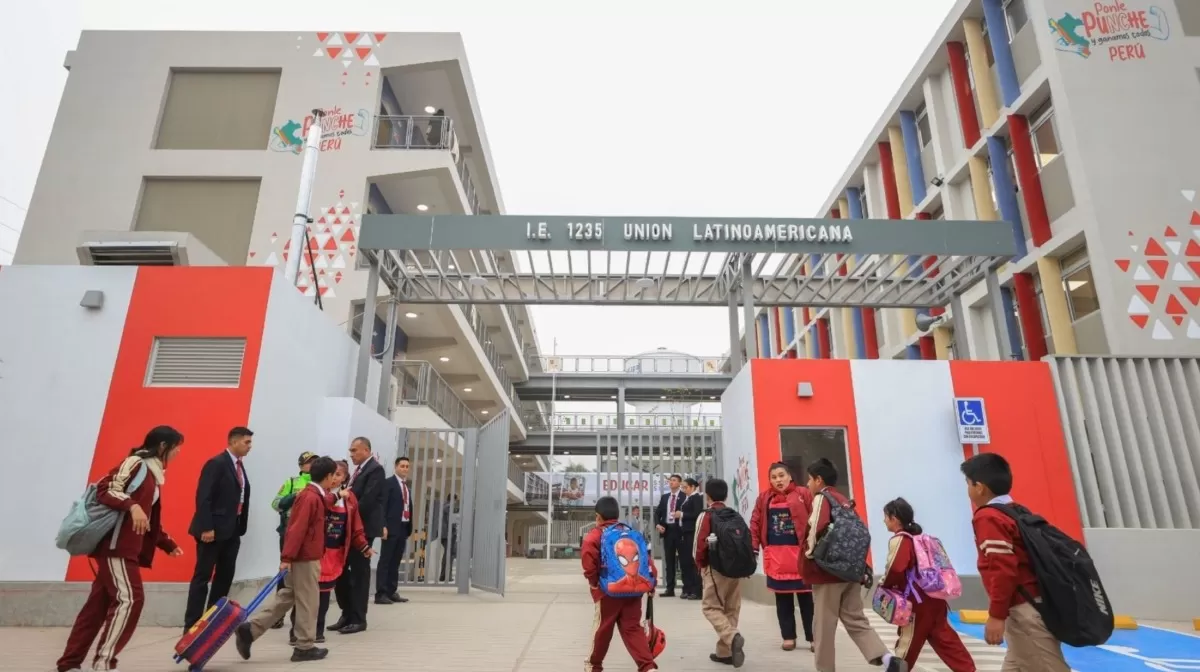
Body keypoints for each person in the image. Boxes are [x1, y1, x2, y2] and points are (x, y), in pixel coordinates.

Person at [57, 426, 186, 672]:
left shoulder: (154, 476)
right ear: (162, 446)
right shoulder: (136, 463)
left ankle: (68, 664)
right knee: (130, 600)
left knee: (95, 609)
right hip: (116, 547)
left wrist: (166, 543)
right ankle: (104, 663)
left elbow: (146, 519)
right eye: (176, 446)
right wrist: (132, 506)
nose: (178, 452)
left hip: (126, 547)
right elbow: (107, 488)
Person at [236, 457, 372, 663]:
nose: (334, 479)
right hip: (305, 558)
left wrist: (335, 497)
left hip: (302, 557)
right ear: (327, 476)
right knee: (309, 601)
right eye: (333, 475)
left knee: (287, 596)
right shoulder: (309, 498)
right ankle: (304, 647)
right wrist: (287, 557)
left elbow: (323, 503)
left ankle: (250, 630)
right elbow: (296, 529)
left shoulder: (314, 495)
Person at [961, 453, 1069, 671]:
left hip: (1023, 611)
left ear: (979, 487)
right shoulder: (1016, 511)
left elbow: (1003, 569)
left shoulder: (988, 517)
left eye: (968, 484)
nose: (968, 490)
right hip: (1035, 603)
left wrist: (996, 615)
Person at [801, 458, 908, 672]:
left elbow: (815, 528)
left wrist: (809, 554)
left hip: (828, 572)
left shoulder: (822, 497)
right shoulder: (844, 501)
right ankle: (887, 659)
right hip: (850, 571)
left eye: (810, 480)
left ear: (819, 480)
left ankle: (825, 669)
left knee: (823, 626)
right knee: (855, 619)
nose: (807, 484)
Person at [880, 498, 976, 671]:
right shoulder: (923, 539)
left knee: (906, 645)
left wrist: (884, 585)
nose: (884, 520)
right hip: (936, 599)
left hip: (916, 603)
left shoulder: (901, 540)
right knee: (947, 641)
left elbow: (895, 568)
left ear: (894, 518)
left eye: (886, 517)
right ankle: (968, 669)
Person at [183, 426, 253, 630]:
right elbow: (204, 497)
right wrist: (206, 527)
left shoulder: (239, 466)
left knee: (224, 577)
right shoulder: (217, 463)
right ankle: (192, 625)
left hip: (232, 531)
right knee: (202, 577)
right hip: (212, 532)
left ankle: (212, 620)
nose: (250, 447)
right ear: (233, 441)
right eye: (246, 442)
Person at [294, 460, 369, 645]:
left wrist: (363, 546)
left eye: (339, 475)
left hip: (334, 554)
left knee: (324, 595)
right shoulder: (320, 495)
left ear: (345, 477)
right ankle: (296, 633)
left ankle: (317, 631)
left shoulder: (350, 499)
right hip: (315, 552)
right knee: (305, 594)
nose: (334, 478)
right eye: (332, 474)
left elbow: (356, 526)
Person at [582, 496, 659, 672]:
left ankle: (594, 665)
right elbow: (648, 562)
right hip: (633, 590)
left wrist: (595, 585)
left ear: (598, 516)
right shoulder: (632, 533)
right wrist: (651, 585)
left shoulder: (595, 535)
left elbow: (589, 564)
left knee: (603, 629)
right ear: (617, 515)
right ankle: (648, 666)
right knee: (632, 628)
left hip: (608, 592)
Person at [750, 462, 816, 652]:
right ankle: (788, 637)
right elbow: (755, 522)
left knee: (807, 599)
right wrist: (754, 548)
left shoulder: (804, 494)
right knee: (783, 600)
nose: (778, 480)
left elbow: (815, 518)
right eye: (774, 477)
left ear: (790, 476)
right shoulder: (764, 498)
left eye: (781, 475)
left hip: (802, 556)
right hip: (776, 557)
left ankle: (813, 638)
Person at [332, 436, 383, 634]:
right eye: (350, 451)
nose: (351, 454)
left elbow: (367, 501)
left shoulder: (375, 470)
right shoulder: (359, 470)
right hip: (351, 527)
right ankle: (347, 614)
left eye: (354, 450)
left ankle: (359, 618)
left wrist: (348, 517)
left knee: (360, 574)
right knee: (342, 571)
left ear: (366, 450)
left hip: (362, 529)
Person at [694, 478, 746, 668]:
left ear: (707, 496)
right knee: (731, 609)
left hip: (715, 569)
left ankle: (732, 637)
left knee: (711, 607)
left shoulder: (706, 515)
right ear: (725, 496)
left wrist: (700, 565)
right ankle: (724, 653)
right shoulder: (734, 515)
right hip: (736, 571)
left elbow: (698, 545)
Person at [269, 451, 318, 629]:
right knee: (285, 574)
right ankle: (277, 615)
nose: (313, 465)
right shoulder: (292, 482)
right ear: (301, 466)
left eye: (316, 462)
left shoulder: (320, 483)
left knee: (306, 578)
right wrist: (295, 496)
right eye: (309, 462)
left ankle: (301, 620)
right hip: (289, 534)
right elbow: (275, 504)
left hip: (311, 538)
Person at [376, 456, 413, 604]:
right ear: (396, 467)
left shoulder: (406, 486)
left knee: (396, 561)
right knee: (386, 560)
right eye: (402, 466)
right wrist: (383, 525)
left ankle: (391, 591)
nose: (405, 469)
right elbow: (382, 506)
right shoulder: (388, 483)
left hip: (403, 527)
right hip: (391, 528)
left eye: (407, 466)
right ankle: (381, 593)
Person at [653, 474, 685, 597]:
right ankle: (669, 588)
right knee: (669, 560)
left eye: (674, 480)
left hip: (680, 531)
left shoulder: (684, 497)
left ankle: (686, 588)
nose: (671, 482)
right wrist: (657, 525)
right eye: (670, 480)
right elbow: (657, 513)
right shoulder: (665, 497)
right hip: (668, 531)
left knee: (683, 560)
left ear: (680, 483)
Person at [678, 477, 703, 600]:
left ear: (693, 487)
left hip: (692, 532)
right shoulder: (687, 499)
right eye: (682, 488)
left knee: (693, 562)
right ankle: (688, 588)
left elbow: (697, 514)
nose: (684, 490)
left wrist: (682, 514)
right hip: (685, 533)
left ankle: (696, 590)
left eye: (685, 487)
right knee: (685, 562)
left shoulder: (696, 498)